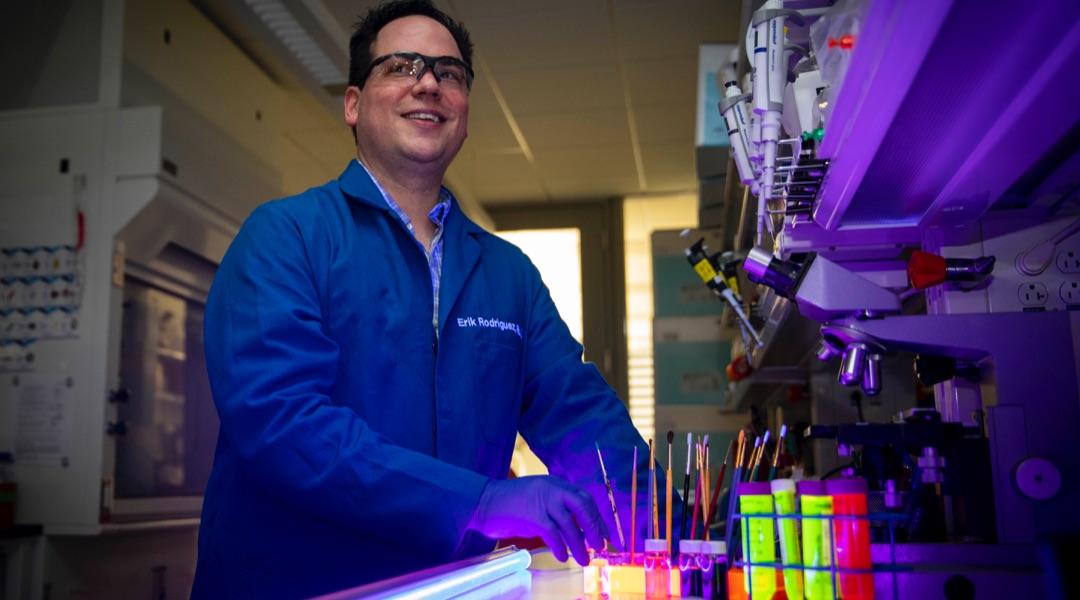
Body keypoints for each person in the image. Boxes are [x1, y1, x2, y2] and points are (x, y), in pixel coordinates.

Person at [191, 1, 680, 597]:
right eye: (401, 66)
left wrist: (663, 519)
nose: (428, 82)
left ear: (465, 112)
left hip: (456, 587)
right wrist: (482, 502)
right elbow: (283, 425)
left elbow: (578, 411)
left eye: (449, 73)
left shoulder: (507, 274)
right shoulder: (286, 237)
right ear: (352, 103)